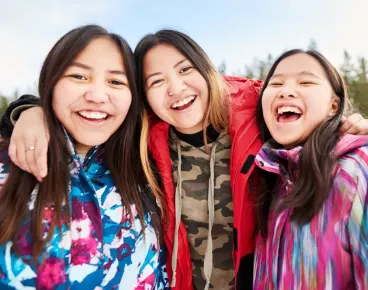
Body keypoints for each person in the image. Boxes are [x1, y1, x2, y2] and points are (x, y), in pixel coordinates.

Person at [2, 30, 368, 290]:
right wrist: (30, 110)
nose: (175, 89)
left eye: (185, 71)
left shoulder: (258, 117)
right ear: (143, 96)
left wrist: (342, 127)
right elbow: (89, 108)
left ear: (207, 71)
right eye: (155, 81)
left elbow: (300, 102)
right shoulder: (143, 142)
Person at [0, 25, 168, 289]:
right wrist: (30, 110)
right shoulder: (7, 166)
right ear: (51, 81)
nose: (97, 96)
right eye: (79, 76)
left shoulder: (147, 172)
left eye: (116, 81)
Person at [253, 49, 368, 289]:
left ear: (333, 106)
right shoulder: (272, 175)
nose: (286, 90)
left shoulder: (357, 170)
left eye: (306, 81)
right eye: (275, 83)